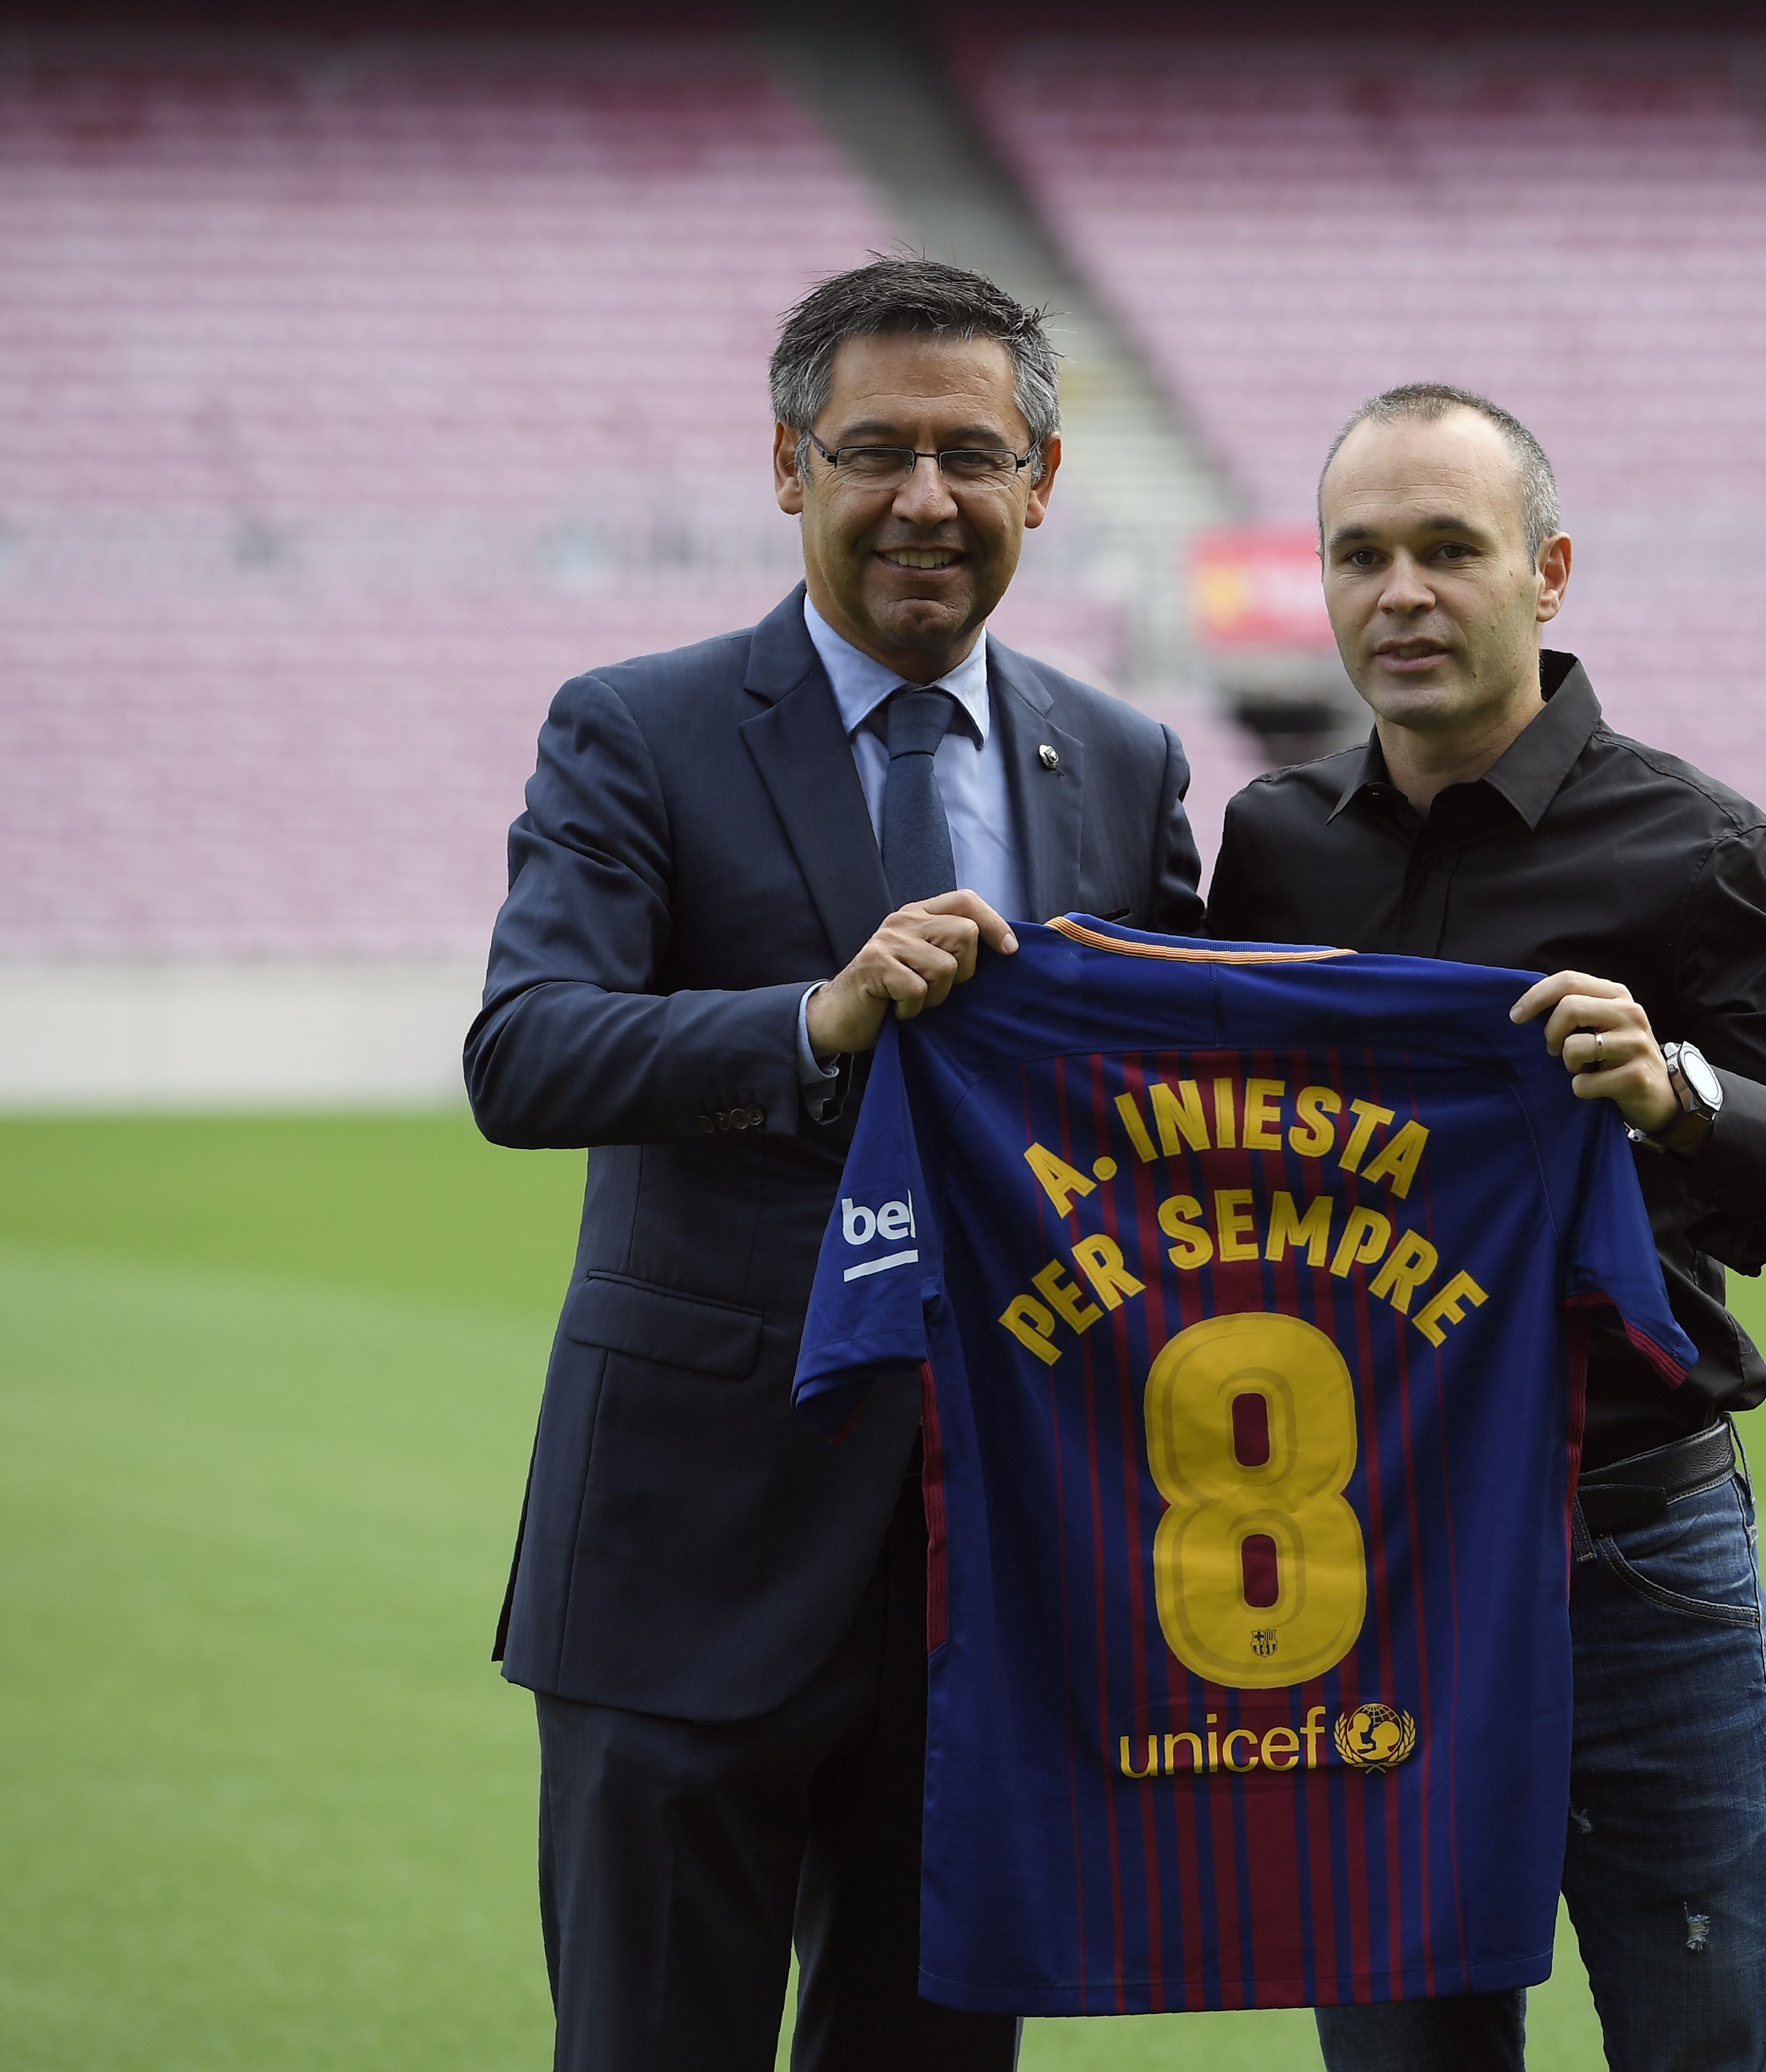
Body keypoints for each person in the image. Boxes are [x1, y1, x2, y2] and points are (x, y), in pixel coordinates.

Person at [465, 256, 1206, 2071]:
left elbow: (1189, 1100)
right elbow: (525, 1049)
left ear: (1042, 481)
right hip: (686, 1560)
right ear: (786, 467)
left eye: (972, 454)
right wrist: (817, 1017)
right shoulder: (633, 727)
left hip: (995, 1584)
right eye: (875, 451)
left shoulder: (1117, 761)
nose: (924, 500)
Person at [1208, 384, 1766, 2072]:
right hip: (1359, 1560)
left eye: (1449, 548)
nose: (1401, 594)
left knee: (1705, 2044)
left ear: (1546, 572)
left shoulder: (1705, 850)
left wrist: (1676, 1089)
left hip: (1630, 1552)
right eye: (1360, 555)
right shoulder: (1271, 851)